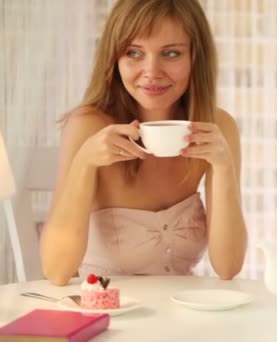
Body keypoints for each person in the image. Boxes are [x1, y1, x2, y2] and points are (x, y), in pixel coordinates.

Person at [40, 0, 247, 285]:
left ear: (195, 58)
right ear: (114, 59)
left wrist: (224, 168)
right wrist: (84, 162)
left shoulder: (217, 128)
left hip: (181, 313)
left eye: (171, 53)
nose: (151, 71)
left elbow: (228, 267)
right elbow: (56, 270)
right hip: (107, 316)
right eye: (134, 53)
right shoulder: (88, 126)